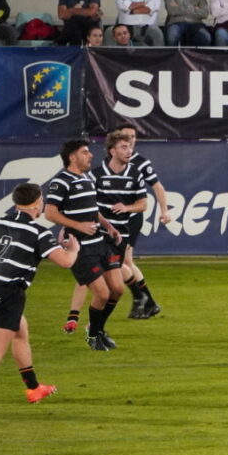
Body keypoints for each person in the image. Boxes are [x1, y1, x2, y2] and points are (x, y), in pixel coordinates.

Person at [0, 183, 79, 403]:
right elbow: (66, 262)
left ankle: (33, 387)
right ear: (38, 203)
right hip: (7, 294)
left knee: (20, 330)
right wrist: (73, 249)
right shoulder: (38, 232)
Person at [64, 131, 149, 336]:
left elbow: (143, 204)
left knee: (115, 289)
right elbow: (86, 204)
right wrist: (67, 228)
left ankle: (94, 325)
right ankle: (80, 321)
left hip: (120, 236)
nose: (129, 151)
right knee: (92, 278)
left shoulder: (135, 173)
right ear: (112, 150)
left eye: (130, 147)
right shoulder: (96, 174)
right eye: (124, 147)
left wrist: (127, 208)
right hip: (97, 236)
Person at [45, 139, 123, 351]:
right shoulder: (61, 181)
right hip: (80, 247)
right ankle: (94, 335)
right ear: (72, 157)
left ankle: (97, 330)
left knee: (118, 289)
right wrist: (77, 225)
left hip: (99, 241)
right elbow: (50, 213)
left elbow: (92, 208)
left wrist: (108, 226)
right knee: (102, 294)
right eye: (85, 152)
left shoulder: (88, 177)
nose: (90, 155)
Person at [112, 123, 168, 320]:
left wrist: (164, 211)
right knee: (125, 262)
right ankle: (148, 302)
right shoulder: (112, 162)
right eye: (126, 137)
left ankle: (144, 301)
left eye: (133, 136)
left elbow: (157, 187)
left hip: (131, 217)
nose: (131, 140)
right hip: (114, 219)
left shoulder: (141, 163)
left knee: (123, 262)